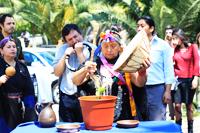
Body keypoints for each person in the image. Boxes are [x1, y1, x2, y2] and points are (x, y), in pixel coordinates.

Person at [72, 29, 150, 121]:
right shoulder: (94, 63)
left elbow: (139, 83)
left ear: (119, 47)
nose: (109, 50)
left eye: (113, 46)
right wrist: (85, 70)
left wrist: (142, 73)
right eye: (105, 46)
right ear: (101, 47)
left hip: (123, 115)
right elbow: (75, 80)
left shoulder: (126, 63)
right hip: (97, 115)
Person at [53, 24, 96, 122]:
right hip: (67, 96)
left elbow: (89, 71)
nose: (74, 41)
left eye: (76, 36)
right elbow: (56, 73)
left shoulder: (91, 48)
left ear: (81, 34)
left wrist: (80, 53)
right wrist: (65, 56)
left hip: (86, 95)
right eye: (70, 39)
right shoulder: (62, 49)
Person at [136, 16, 175, 121]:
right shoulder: (134, 46)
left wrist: (167, 91)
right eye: (138, 26)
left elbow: (168, 69)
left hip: (157, 89)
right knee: (140, 123)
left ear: (151, 28)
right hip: (139, 89)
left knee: (157, 122)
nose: (139, 29)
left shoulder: (163, 45)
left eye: (142, 26)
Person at [0, 36, 36, 133]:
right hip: (3, 108)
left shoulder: (22, 66)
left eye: (14, 46)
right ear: (1, 51)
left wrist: (30, 108)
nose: (12, 49)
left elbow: (29, 89)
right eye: (9, 47)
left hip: (20, 107)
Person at [172, 28, 199, 133]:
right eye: (173, 38)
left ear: (181, 37)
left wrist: (196, 78)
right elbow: (170, 62)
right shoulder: (174, 49)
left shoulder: (193, 47)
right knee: (177, 106)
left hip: (189, 80)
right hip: (177, 80)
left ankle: (190, 130)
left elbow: (197, 63)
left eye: (175, 38)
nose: (174, 40)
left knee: (189, 106)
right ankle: (178, 130)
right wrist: (172, 47)